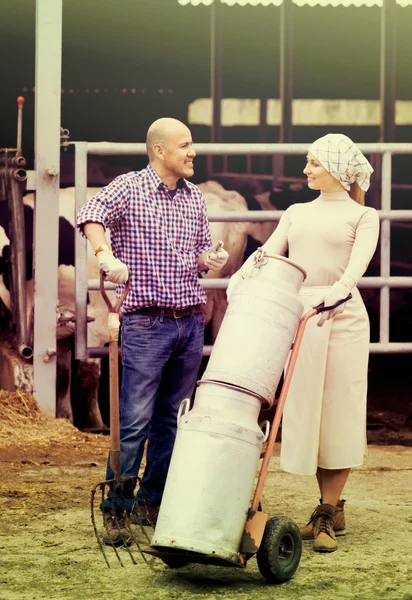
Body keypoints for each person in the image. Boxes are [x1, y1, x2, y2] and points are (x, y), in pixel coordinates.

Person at [76, 117, 229, 546]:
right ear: (160, 151)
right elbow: (90, 212)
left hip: (188, 322)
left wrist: (208, 261)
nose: (192, 152)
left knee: (172, 421)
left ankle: (152, 501)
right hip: (145, 323)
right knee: (135, 421)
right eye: (185, 145)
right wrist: (104, 253)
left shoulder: (194, 197)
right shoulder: (129, 187)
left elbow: (198, 252)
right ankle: (116, 509)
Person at [227, 133, 380, 553]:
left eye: (313, 163)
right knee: (309, 412)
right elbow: (272, 253)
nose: (306, 170)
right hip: (302, 316)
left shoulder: (364, 217)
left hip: (342, 315)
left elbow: (356, 267)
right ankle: (332, 506)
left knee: (339, 411)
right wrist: (243, 274)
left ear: (333, 168)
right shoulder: (296, 212)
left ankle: (327, 512)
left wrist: (340, 289)